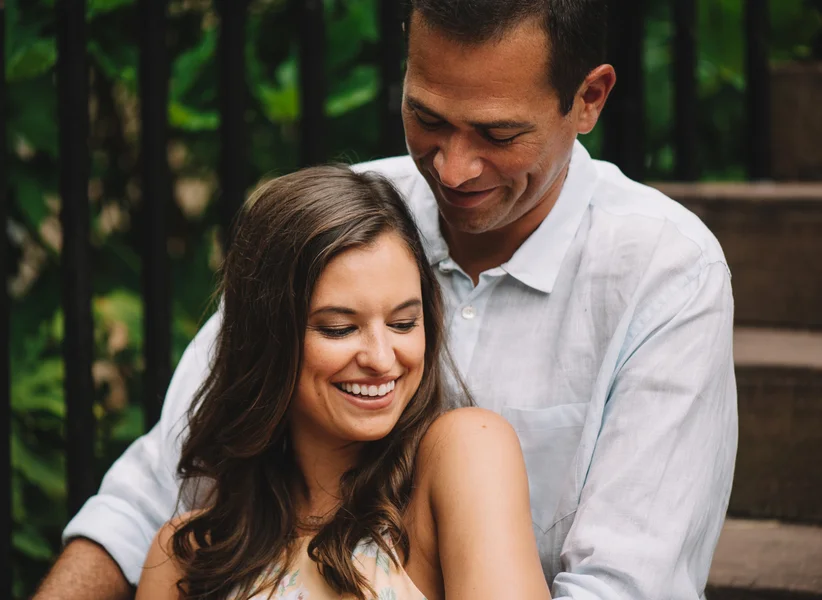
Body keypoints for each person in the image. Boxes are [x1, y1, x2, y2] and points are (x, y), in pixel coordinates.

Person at [36, 1, 738, 598]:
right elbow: (154, 488)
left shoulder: (663, 271)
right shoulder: (348, 219)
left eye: (498, 135)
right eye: (427, 117)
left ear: (589, 99)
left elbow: (626, 585)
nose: (454, 169)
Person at [131, 165, 549, 599]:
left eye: (404, 323)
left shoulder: (464, 453)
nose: (382, 358)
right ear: (267, 337)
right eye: (338, 328)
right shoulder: (187, 554)